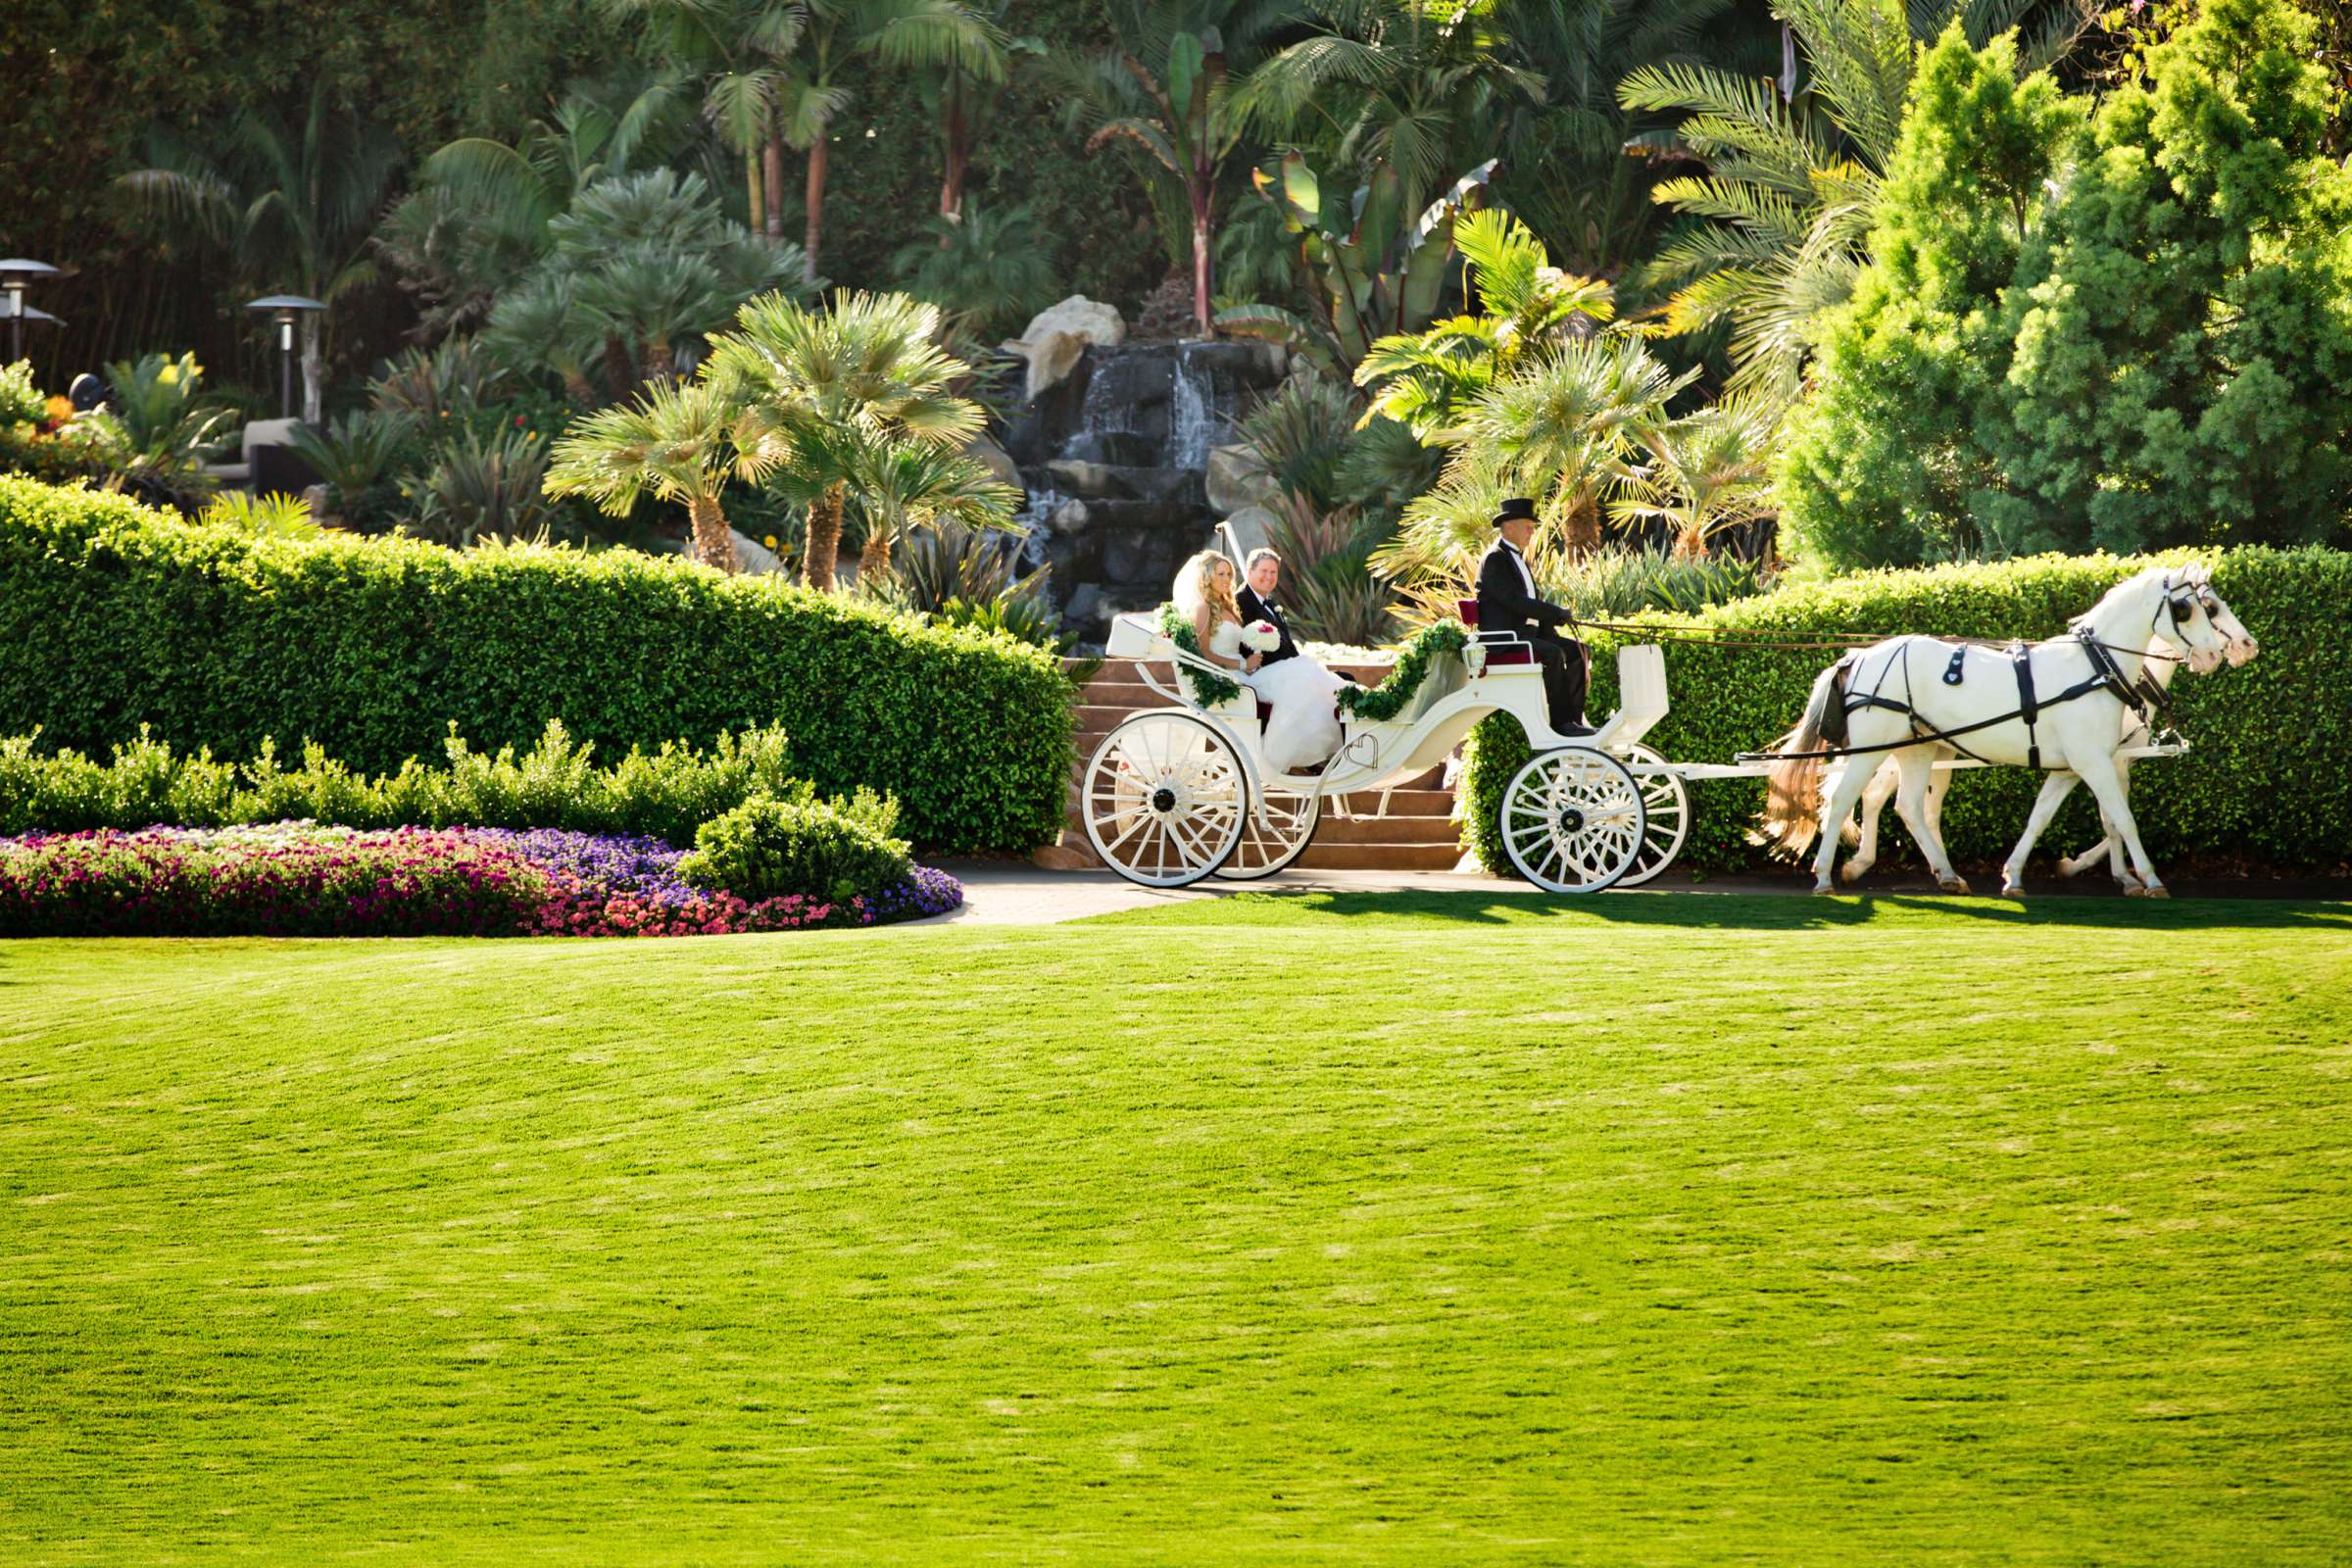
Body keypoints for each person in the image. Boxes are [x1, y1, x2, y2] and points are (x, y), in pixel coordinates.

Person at [1173, 550, 1347, 773]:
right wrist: (1244, 665)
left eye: (1228, 574)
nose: (1226, 579)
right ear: (1207, 578)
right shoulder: (1203, 609)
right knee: (1303, 676)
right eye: (1220, 574)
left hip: (1249, 672)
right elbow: (1204, 653)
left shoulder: (1229, 608)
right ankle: (1280, 757)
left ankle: (1331, 734)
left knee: (1307, 670)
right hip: (1230, 676)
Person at [1475, 497, 1592, 735]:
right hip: (1504, 639)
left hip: (1526, 634)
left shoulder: (1518, 559)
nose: (1532, 531)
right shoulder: (1495, 559)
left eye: (1532, 526)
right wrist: (1554, 611)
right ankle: (1561, 724)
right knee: (1553, 654)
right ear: (1508, 527)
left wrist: (1555, 617)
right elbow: (1514, 602)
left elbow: (1529, 603)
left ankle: (1574, 719)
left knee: (1580, 651)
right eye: (1527, 526)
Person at [1236, 548, 1299, 666]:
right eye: (1264, 571)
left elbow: (1288, 643)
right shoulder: (1241, 601)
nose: (1269, 577)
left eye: (1273, 572)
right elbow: (1249, 648)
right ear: (1250, 571)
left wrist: (1299, 663)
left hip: (1289, 666)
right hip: (1269, 670)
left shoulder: (1269, 600)